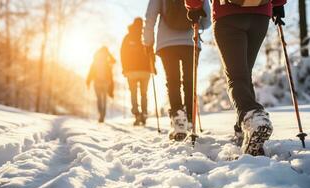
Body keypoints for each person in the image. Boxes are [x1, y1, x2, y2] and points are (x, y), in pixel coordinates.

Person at [211, 0, 287, 155]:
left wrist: (194, 7)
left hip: (227, 13)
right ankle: (243, 131)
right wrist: (278, 3)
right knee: (244, 73)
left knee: (236, 75)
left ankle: (253, 116)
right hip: (260, 16)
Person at [143, 0, 211, 141]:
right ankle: (191, 120)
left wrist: (148, 42)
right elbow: (207, 20)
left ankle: (179, 120)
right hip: (191, 40)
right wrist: (198, 24)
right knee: (190, 81)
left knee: (172, 81)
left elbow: (150, 16)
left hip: (166, 43)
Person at [121, 18, 153, 126]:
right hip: (145, 71)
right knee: (144, 94)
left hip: (131, 71)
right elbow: (151, 52)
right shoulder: (145, 36)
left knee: (133, 93)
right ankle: (143, 114)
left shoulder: (127, 37)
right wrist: (153, 66)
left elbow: (123, 54)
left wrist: (124, 68)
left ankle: (137, 114)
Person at [86, 46, 115, 123]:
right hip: (106, 82)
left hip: (97, 82)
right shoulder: (107, 61)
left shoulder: (95, 60)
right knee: (104, 99)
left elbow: (91, 71)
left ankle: (100, 114)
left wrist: (88, 81)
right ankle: (103, 115)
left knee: (99, 99)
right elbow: (114, 61)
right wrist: (109, 54)